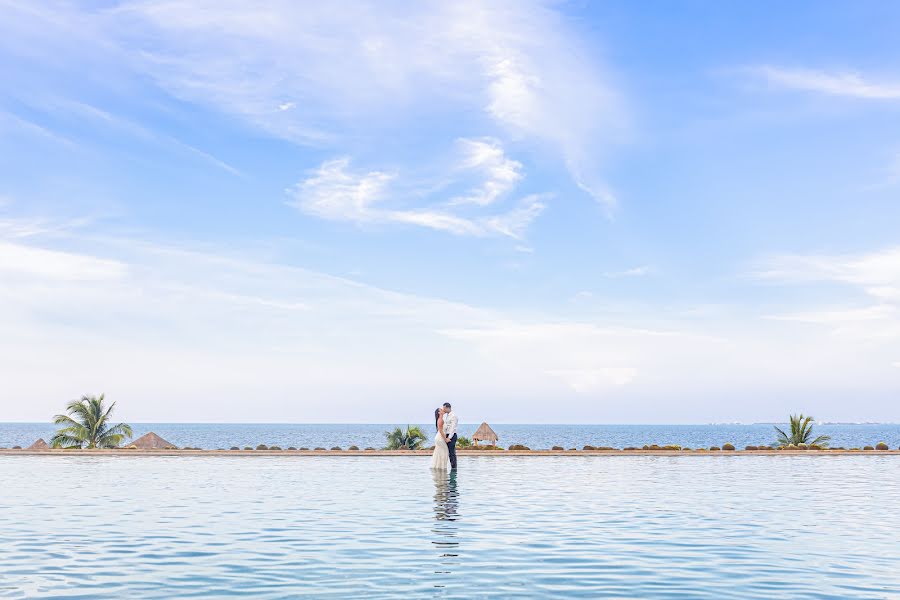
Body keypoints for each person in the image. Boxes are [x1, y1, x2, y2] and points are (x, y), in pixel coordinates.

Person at [442, 402, 458, 470]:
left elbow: (452, 428)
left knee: (452, 453)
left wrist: (449, 437)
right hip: (447, 435)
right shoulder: (447, 415)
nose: (443, 410)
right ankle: (452, 466)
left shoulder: (453, 416)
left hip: (451, 436)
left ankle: (454, 468)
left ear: (448, 408)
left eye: (444, 408)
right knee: (449, 453)